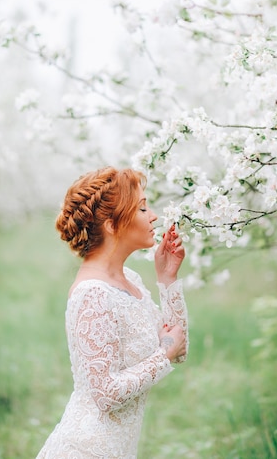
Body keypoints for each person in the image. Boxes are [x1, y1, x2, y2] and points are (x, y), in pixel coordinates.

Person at [35, 166, 188, 459]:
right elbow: (105, 394)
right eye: (143, 208)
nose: (154, 215)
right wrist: (163, 355)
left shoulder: (131, 281)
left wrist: (168, 279)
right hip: (84, 450)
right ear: (111, 224)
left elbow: (178, 347)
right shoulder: (92, 294)